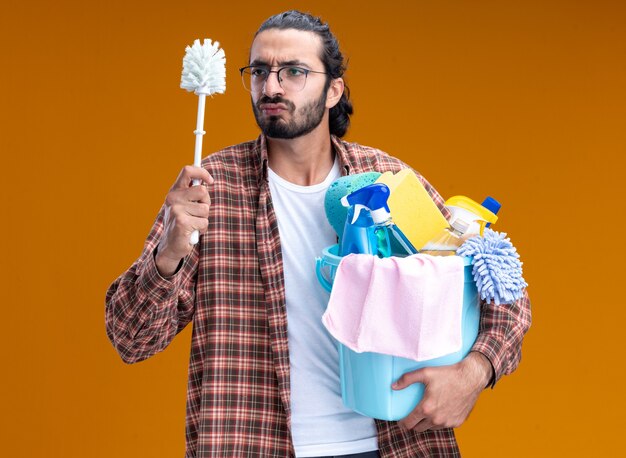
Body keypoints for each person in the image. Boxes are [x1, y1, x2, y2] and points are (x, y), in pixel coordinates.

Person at [106, 10, 531, 458]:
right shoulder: (210, 188)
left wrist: (473, 372)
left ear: (334, 90)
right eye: (259, 72)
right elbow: (131, 338)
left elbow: (503, 285)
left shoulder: (386, 181)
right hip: (252, 442)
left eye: (293, 71)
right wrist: (168, 255)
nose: (271, 87)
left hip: (394, 441)